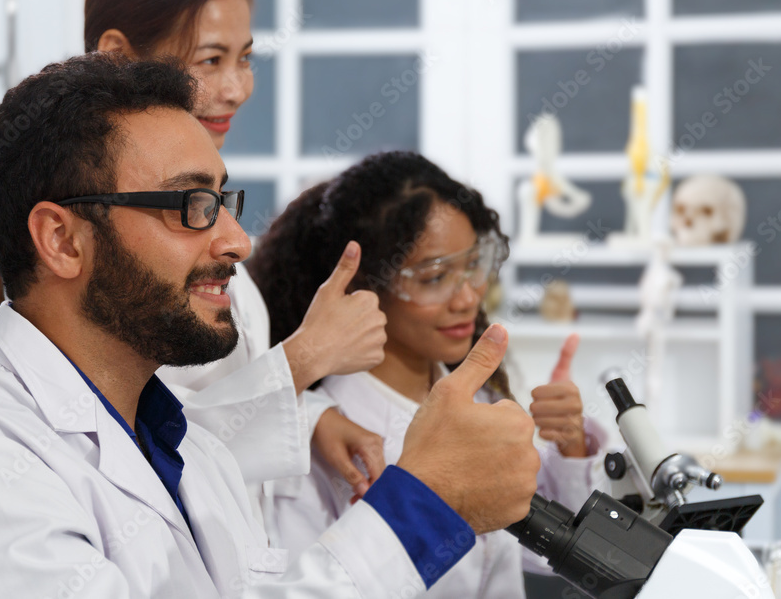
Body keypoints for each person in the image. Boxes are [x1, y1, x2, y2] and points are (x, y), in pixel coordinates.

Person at [0, 55, 542, 597]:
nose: (237, 241)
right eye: (191, 205)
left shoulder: (189, 452)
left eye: (223, 200)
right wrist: (421, 508)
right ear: (62, 240)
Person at [0, 0, 387, 494]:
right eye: (210, 60)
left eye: (245, 59)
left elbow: (179, 418)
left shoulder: (188, 243)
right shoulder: (116, 277)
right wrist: (306, 358)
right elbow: (150, 445)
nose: (236, 89)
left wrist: (310, 416)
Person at [248, 151, 609, 597]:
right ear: (365, 286)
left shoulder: (476, 398)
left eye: (473, 264)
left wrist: (570, 446)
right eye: (434, 277)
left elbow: (539, 550)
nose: (467, 298)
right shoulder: (322, 443)